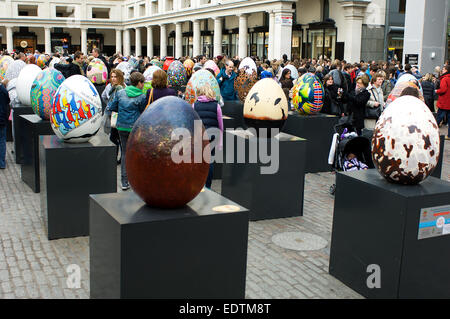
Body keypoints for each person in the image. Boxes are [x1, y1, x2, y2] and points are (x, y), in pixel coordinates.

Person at [107, 72, 147, 190]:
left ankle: (124, 181)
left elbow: (112, 107)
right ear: (139, 83)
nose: (143, 85)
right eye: (142, 83)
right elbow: (143, 111)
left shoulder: (120, 93)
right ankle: (137, 179)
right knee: (136, 152)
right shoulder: (142, 96)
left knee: (124, 153)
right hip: (135, 128)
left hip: (121, 127)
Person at [192, 83, 223, 189]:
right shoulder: (216, 105)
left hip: (199, 137)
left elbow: (192, 122)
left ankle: (198, 185)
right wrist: (220, 142)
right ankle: (208, 186)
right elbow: (220, 125)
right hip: (213, 137)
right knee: (210, 161)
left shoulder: (194, 105)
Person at [103, 69, 126, 164]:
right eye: (111, 77)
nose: (113, 79)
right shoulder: (110, 87)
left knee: (115, 138)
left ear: (119, 77)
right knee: (114, 137)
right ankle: (118, 157)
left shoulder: (120, 88)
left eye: (115, 77)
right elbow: (104, 96)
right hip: (113, 114)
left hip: (118, 115)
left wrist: (110, 106)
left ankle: (119, 157)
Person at [435, 65, 450, 139]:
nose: (442, 70)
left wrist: (437, 91)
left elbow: (443, 90)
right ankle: (449, 135)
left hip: (444, 102)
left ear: (446, 70)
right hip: (449, 102)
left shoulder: (444, 79)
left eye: (443, 69)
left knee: (439, 118)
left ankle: (433, 132)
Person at [0, 82, 11, 169]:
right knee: (2, 141)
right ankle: (1, 163)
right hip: (2, 119)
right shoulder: (3, 90)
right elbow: (8, 102)